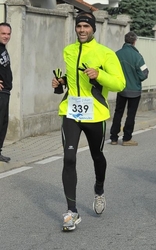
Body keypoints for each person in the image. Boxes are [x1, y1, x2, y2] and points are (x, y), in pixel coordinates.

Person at [51, 12, 126, 231]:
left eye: (86, 26)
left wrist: (99, 75)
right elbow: (72, 79)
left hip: (95, 114)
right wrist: (59, 83)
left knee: (97, 156)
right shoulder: (69, 51)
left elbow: (119, 84)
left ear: (93, 29)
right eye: (79, 26)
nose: (82, 30)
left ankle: (99, 190)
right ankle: (71, 212)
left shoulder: (105, 54)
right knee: (69, 158)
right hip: (71, 112)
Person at [110, 31, 149, 146]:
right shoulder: (138, 56)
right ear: (134, 42)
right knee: (130, 114)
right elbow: (144, 74)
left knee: (118, 112)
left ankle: (113, 138)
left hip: (121, 88)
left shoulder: (116, 54)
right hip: (134, 91)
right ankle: (127, 138)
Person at [0, 23, 12, 163]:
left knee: (3, 124)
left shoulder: (3, 48)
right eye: (3, 33)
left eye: (8, 34)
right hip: (1, 92)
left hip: (5, 92)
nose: (6, 36)